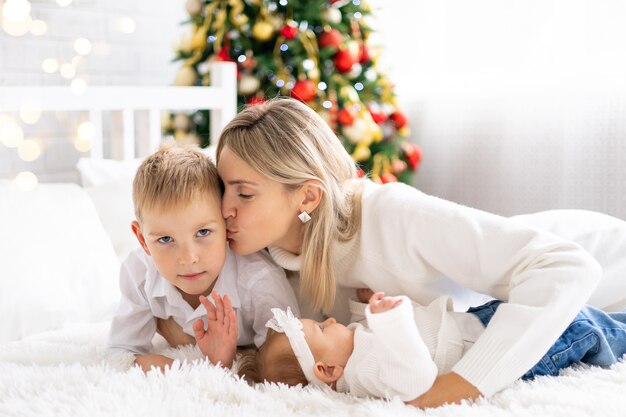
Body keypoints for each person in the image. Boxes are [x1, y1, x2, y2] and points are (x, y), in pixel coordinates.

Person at [214, 97, 626, 406]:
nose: (224, 209)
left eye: (244, 193)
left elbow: (566, 267)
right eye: (222, 189)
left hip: (601, 274)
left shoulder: (390, 215)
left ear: (307, 197)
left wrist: (459, 386)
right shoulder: (260, 256)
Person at [236, 291, 626, 405]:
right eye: (323, 327)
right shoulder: (365, 369)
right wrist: (391, 320)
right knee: (592, 328)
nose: (331, 319)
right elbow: (416, 377)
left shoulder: (351, 349)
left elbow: (365, 326)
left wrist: (367, 304)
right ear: (327, 371)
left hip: (482, 320)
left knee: (594, 318)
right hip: (510, 346)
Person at [106, 144, 299, 372]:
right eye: (166, 239)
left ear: (226, 224)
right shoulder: (139, 272)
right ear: (142, 239)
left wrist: (226, 363)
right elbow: (120, 352)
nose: (188, 259)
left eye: (203, 233)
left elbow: (287, 365)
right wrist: (175, 369)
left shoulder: (259, 281)